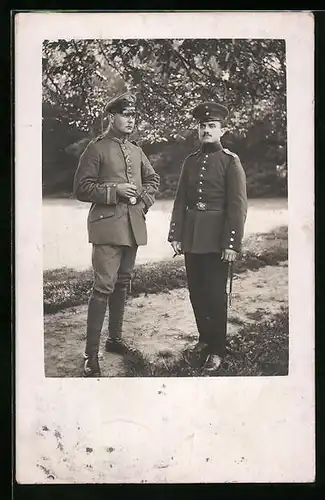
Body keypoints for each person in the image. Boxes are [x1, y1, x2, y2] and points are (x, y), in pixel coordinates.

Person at [74, 92, 160, 377]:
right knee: (103, 288)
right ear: (112, 117)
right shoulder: (96, 148)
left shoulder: (136, 150)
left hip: (133, 226)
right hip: (107, 227)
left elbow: (153, 179)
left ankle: (115, 340)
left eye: (134, 115)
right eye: (125, 114)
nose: (131, 119)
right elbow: (81, 188)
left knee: (123, 284)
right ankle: (90, 355)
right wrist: (115, 192)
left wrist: (143, 201)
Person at [168, 101, 247, 372]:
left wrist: (232, 243)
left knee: (214, 294)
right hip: (192, 236)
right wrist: (175, 234)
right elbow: (180, 200)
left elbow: (237, 206)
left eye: (212, 126)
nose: (206, 130)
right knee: (196, 292)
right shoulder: (191, 161)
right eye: (202, 126)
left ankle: (218, 348)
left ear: (221, 130)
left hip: (216, 239)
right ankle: (204, 338)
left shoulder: (230, 161)